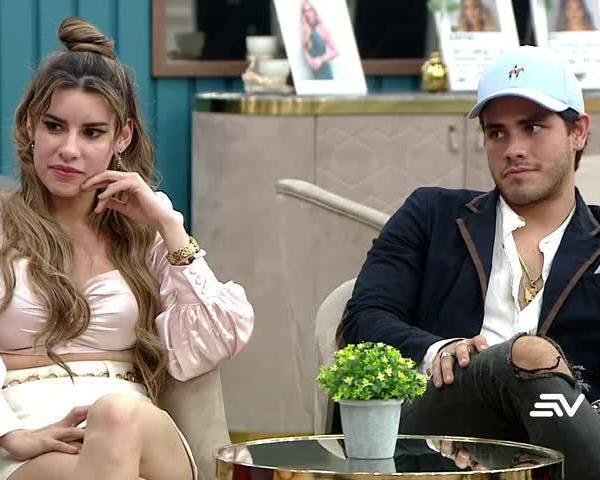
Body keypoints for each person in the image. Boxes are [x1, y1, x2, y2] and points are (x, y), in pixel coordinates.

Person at [0, 17, 254, 480]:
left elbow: (213, 343)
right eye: (55, 126)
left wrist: (167, 225)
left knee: (116, 414)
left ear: (123, 137)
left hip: (142, 435)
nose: (69, 149)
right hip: (31, 444)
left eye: (92, 132)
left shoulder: (147, 236)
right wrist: (10, 434)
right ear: (31, 125)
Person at [337, 46, 600, 479]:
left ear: (578, 132)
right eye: (497, 133)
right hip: (440, 429)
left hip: (565, 433)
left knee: (541, 371)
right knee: (529, 353)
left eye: (533, 127)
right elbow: (364, 318)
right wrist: (436, 351)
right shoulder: (432, 215)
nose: (513, 148)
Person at [301, 0, 339, 80]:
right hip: (315, 75)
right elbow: (305, 49)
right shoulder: (305, 31)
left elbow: (336, 51)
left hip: (326, 75)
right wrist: (309, 60)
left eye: (310, 10)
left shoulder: (321, 28)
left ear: (314, 11)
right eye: (305, 11)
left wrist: (320, 60)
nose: (307, 13)